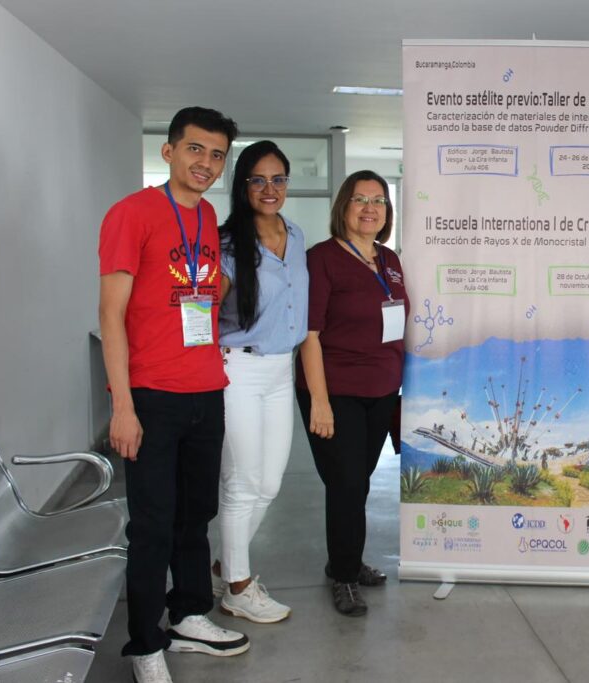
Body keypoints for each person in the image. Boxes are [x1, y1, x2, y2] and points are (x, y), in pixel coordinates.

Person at [98, 106, 248, 683]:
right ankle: (144, 642)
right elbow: (111, 316)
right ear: (169, 151)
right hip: (151, 395)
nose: (206, 163)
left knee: (195, 516)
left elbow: (200, 290)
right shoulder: (130, 214)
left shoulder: (208, 216)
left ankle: (188, 614)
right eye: (195, 150)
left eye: (216, 155)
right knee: (153, 524)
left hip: (207, 389)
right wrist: (122, 404)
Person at [296, 170, 408, 617]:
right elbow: (309, 334)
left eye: (378, 200)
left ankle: (346, 560)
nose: (369, 208)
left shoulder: (390, 261)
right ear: (343, 207)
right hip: (335, 389)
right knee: (344, 484)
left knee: (357, 484)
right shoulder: (321, 258)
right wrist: (319, 401)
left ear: (387, 211)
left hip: (381, 389)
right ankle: (343, 576)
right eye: (360, 199)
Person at [210, 141, 308, 624]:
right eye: (258, 180)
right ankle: (238, 587)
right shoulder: (228, 245)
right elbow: (203, 314)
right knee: (242, 484)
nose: (270, 189)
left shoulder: (297, 235)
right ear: (243, 185)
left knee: (268, 484)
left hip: (279, 371)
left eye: (278, 180)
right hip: (238, 371)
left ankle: (224, 565)